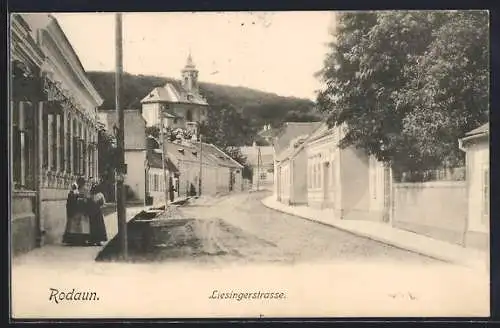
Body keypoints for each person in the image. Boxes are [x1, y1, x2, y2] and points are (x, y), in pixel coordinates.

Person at [62, 178, 91, 246]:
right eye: (79, 183)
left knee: (81, 224)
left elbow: (87, 198)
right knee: (75, 224)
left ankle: (81, 239)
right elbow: (71, 197)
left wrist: (83, 199)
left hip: (82, 209)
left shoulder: (85, 190)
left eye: (81, 183)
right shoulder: (75, 189)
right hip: (76, 209)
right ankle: (75, 239)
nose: (81, 184)